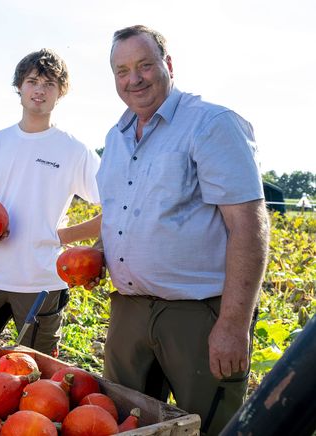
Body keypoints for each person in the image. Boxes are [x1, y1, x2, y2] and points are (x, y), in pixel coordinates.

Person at [96, 25, 270, 435]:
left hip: (198, 314)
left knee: (208, 424)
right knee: (127, 424)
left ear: (167, 65)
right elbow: (121, 215)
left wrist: (232, 324)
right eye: (122, 70)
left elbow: (248, 226)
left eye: (144, 65)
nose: (133, 78)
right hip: (129, 311)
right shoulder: (116, 136)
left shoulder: (210, 124)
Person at [0, 49, 102, 355]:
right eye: (32, 81)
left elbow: (119, 207)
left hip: (43, 281)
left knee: (35, 376)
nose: (40, 89)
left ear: (60, 92)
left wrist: (63, 236)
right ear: (20, 86)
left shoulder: (74, 150)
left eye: (49, 84)